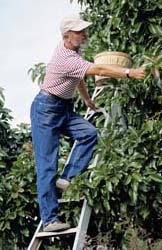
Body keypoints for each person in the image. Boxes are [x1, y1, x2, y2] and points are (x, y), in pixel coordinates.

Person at [30, 15, 146, 232]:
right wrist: (129, 72)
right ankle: (49, 220)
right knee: (47, 165)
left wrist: (86, 100)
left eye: (84, 31)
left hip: (63, 108)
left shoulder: (74, 52)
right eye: (80, 32)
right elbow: (99, 70)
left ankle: (68, 178)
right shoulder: (66, 58)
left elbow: (79, 77)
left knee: (89, 133)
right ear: (67, 36)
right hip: (45, 110)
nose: (85, 34)